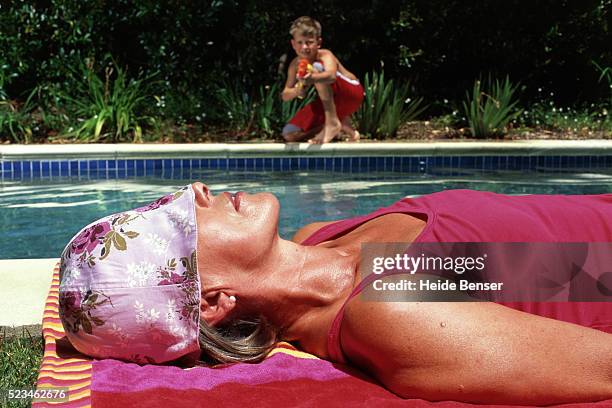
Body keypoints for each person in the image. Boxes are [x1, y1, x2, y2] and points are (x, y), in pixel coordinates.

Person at [58, 183, 612, 405]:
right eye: (177, 218)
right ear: (210, 301)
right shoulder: (386, 310)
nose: (195, 191)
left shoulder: (322, 241)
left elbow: (560, 266)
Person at [281, 16, 364, 144]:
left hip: (352, 94)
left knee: (316, 67)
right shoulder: (294, 65)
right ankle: (339, 125)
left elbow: (331, 76)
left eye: (309, 42)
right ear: (293, 44)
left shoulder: (325, 55)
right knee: (289, 133)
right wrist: (298, 89)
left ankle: (331, 123)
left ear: (318, 43)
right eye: (300, 42)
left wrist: (311, 78)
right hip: (331, 102)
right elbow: (285, 95)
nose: (304, 47)